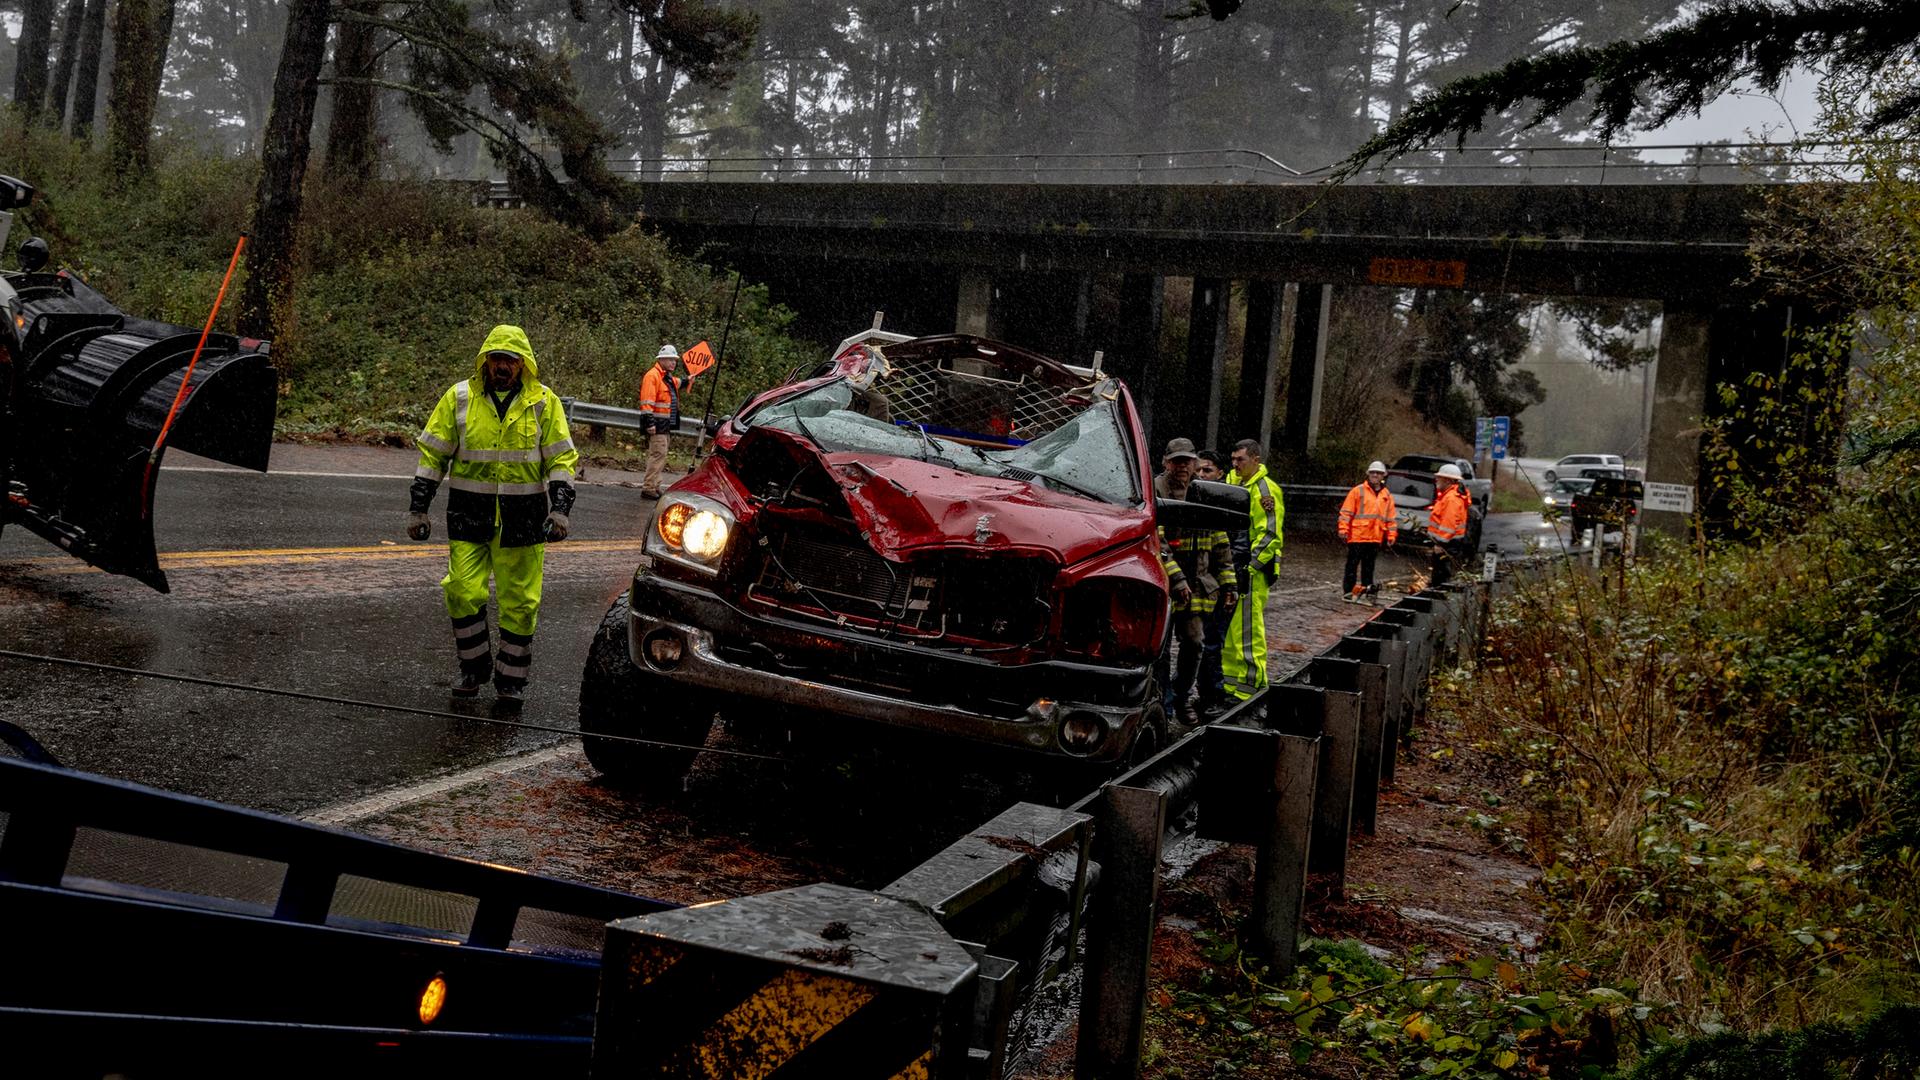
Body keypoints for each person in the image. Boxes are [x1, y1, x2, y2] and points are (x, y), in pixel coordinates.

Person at [407, 325, 579, 703]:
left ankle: (511, 681)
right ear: (485, 361)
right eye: (497, 359)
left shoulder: (543, 403)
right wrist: (419, 506)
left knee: (520, 603)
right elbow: (434, 453)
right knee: (462, 592)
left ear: (523, 365)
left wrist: (561, 510)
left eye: (511, 360)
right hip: (469, 515)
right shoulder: (460, 397)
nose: (503, 366)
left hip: (524, 520)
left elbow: (561, 459)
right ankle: (473, 668)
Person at [1153, 438, 1232, 725]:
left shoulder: (1204, 493)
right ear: (1166, 462)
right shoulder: (1155, 490)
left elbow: (1220, 541)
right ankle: (1164, 703)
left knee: (1195, 643)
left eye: (1188, 460)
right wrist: (1176, 578)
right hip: (1163, 585)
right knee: (1159, 651)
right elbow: (1157, 540)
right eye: (1177, 460)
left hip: (1197, 588)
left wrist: (1229, 584)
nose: (1183, 466)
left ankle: (1181, 696)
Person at [1221, 439, 1285, 703]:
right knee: (1230, 631)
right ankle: (1230, 685)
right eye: (1233, 459)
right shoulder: (1233, 482)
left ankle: (1251, 686)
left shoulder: (1264, 489)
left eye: (1241, 460)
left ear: (1256, 459)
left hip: (1250, 572)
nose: (1235, 464)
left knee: (1247, 631)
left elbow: (1270, 535)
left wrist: (1251, 567)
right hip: (1234, 566)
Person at [1193, 448, 1241, 715]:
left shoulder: (1228, 500)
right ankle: (1205, 692)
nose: (1201, 474)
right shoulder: (1195, 497)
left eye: (1207, 470)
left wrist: (1230, 583)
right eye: (1199, 469)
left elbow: (1234, 545)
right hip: (1198, 582)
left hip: (1219, 583)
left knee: (1212, 640)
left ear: (1221, 473)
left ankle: (1213, 694)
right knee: (1199, 641)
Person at [1338, 460, 1398, 603]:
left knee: (1368, 567)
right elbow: (1346, 512)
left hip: (1374, 538)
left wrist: (1391, 535)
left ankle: (1365, 591)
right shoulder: (1357, 491)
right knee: (1352, 566)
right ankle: (1348, 592)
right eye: (1372, 472)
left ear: (1383, 475)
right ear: (1368, 474)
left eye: (1378, 473)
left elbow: (1390, 518)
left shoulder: (1386, 495)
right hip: (1357, 536)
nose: (1375, 475)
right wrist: (1343, 529)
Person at [638, 344, 692, 498]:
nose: (673, 363)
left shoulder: (666, 377)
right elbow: (646, 402)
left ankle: (654, 485)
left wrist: (688, 380)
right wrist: (649, 423)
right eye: (670, 359)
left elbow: (678, 382)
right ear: (661, 360)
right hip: (657, 424)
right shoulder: (653, 376)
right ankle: (648, 487)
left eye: (675, 360)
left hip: (665, 425)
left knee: (661, 455)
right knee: (658, 454)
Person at [1427, 462, 1473, 587]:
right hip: (1449, 542)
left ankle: (1437, 599)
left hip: (1447, 543)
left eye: (1439, 477)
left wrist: (1440, 544)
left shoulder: (1451, 498)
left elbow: (1449, 523)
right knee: (1441, 573)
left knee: (1440, 575)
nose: (1436, 479)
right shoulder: (1449, 495)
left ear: (1447, 480)